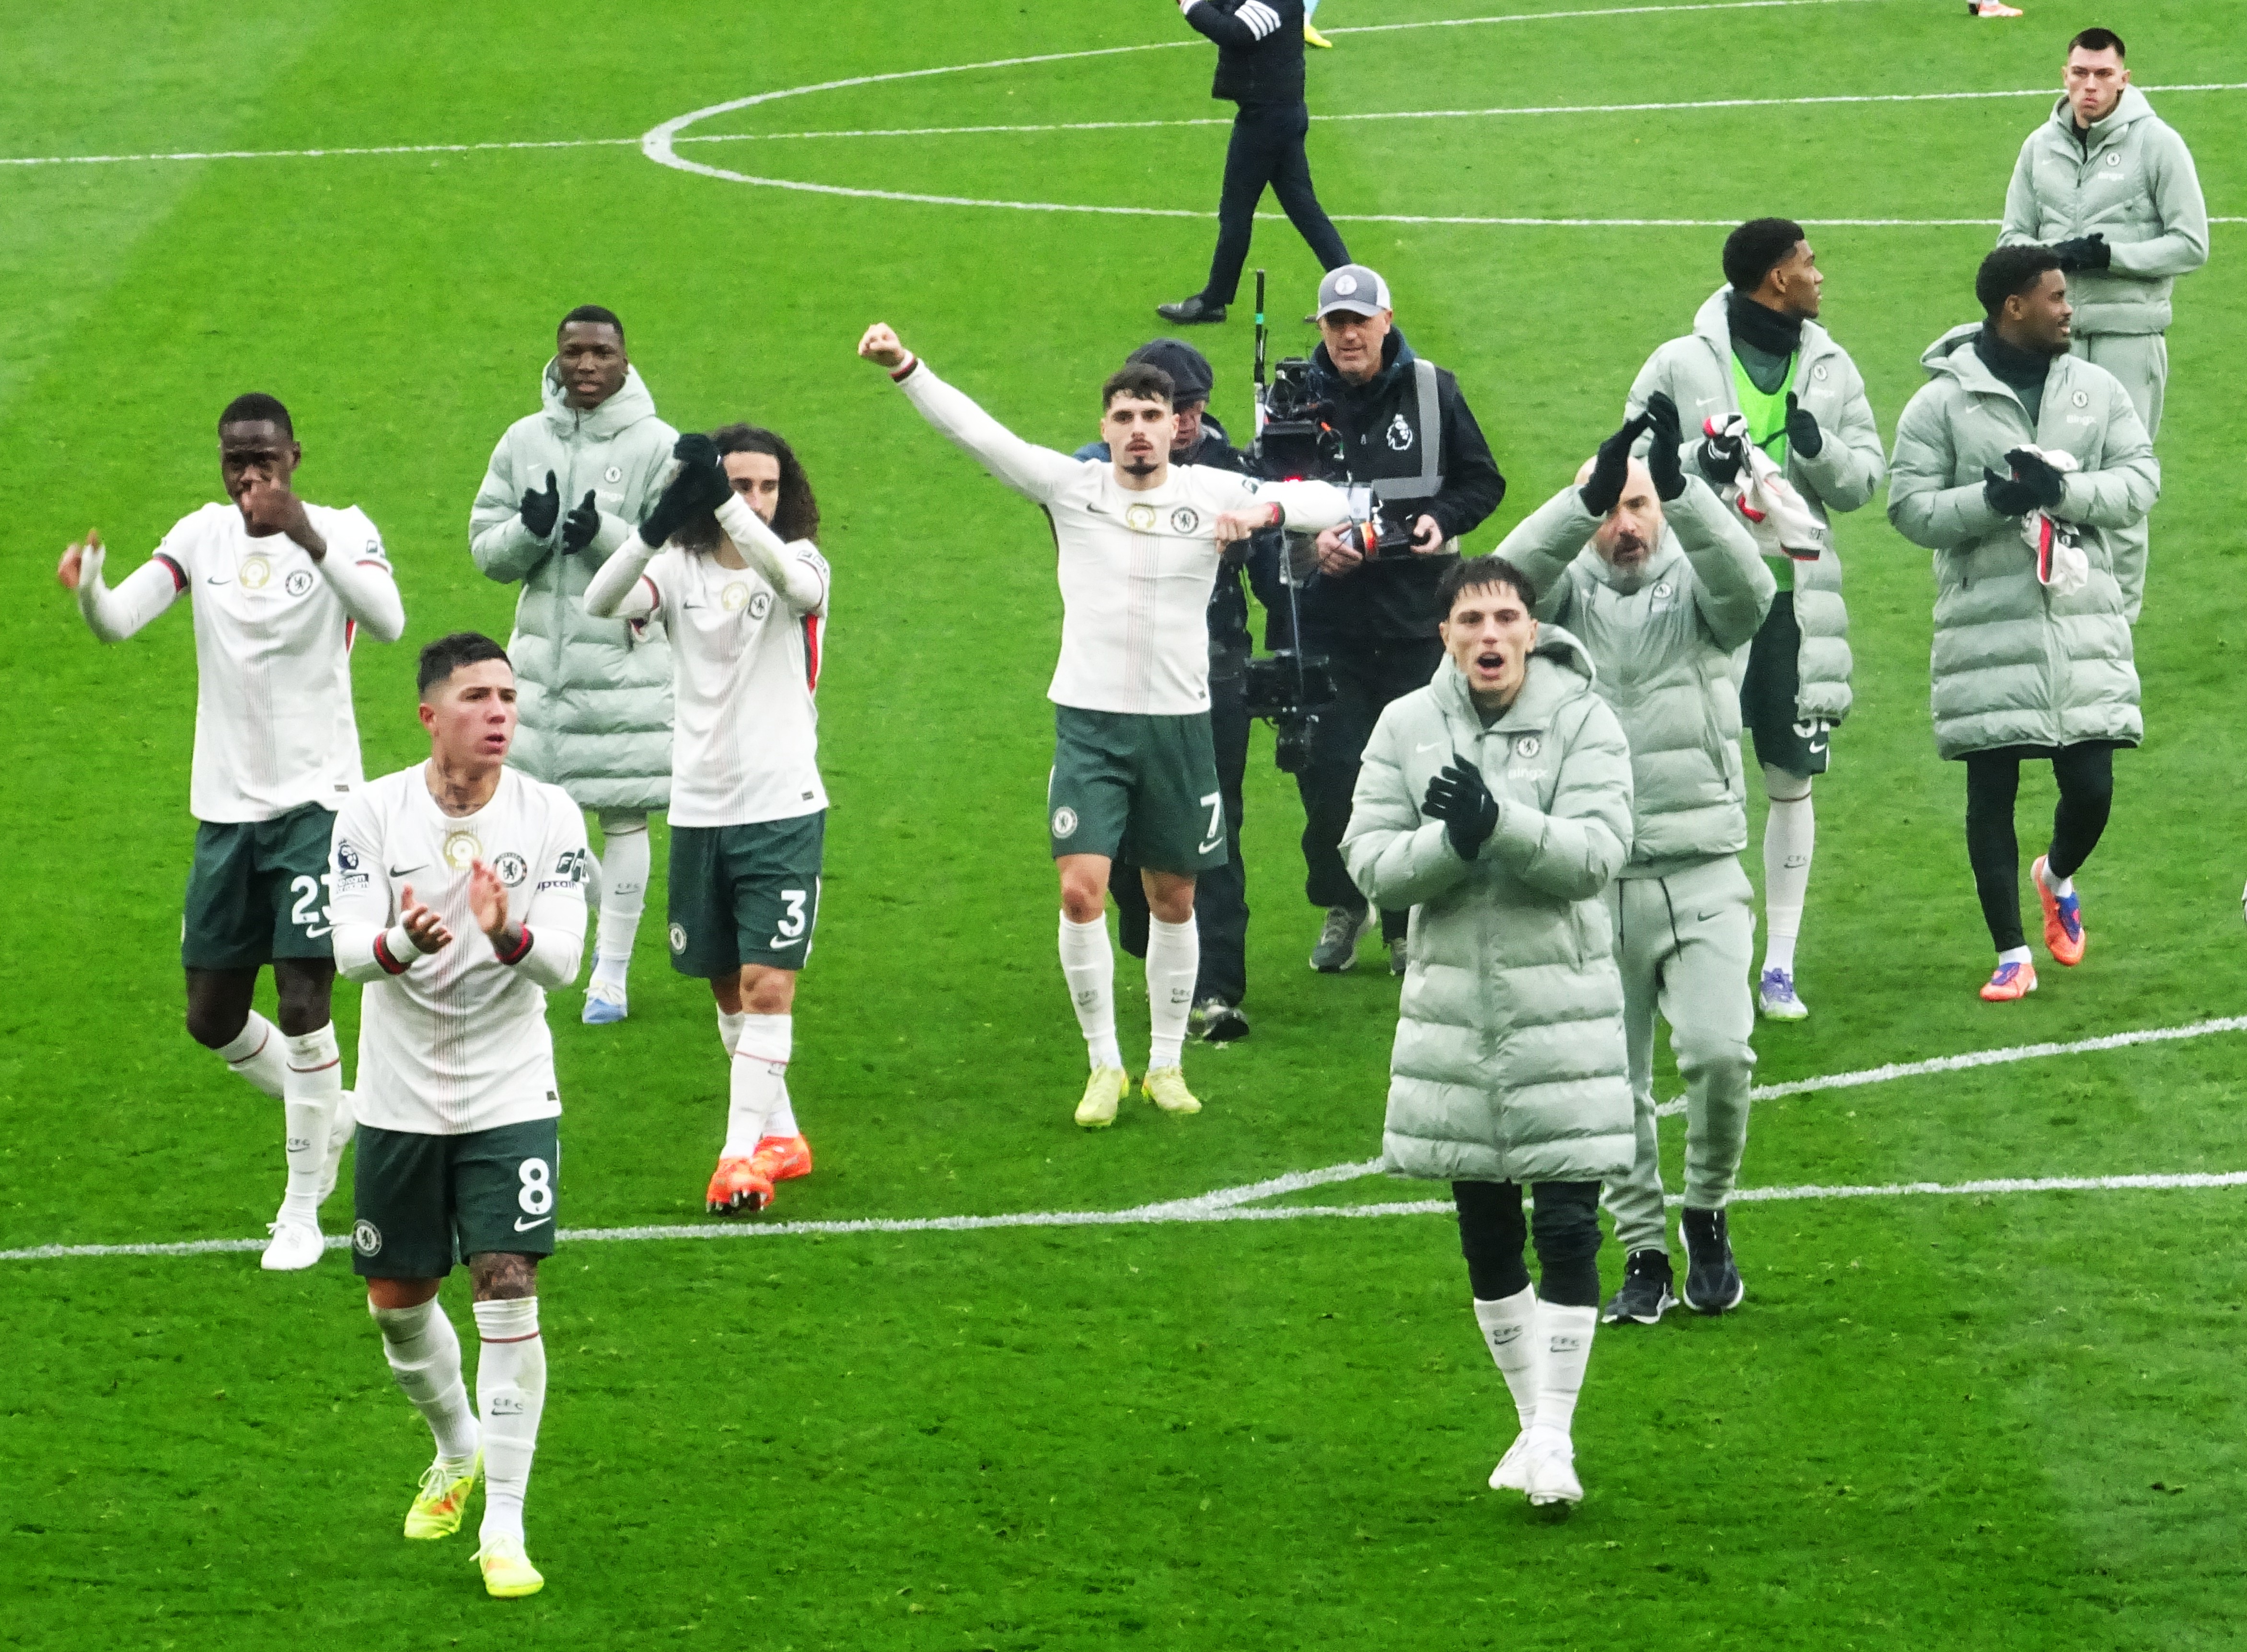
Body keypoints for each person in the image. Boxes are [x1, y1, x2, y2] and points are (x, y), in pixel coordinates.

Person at [857, 322, 1350, 1125]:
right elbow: (978, 435)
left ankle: (1165, 1063)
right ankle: (1103, 1065)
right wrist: (905, 367)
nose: (1137, 430)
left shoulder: (1210, 490)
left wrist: (1262, 512)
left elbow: (1330, 500)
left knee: (1174, 899)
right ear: (1106, 428)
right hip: (1090, 723)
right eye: (1123, 417)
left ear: (1175, 425)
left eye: (1151, 416)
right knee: (1080, 890)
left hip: (1179, 725)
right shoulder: (1072, 487)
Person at [57, 393, 404, 1271]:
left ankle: (300, 1209)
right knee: (210, 1016)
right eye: (234, 459)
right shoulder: (200, 536)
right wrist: (90, 586)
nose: (249, 474)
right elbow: (118, 622)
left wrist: (306, 535)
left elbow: (389, 621)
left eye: (264, 458)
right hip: (225, 812)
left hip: (318, 804)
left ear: (294, 456)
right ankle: (337, 1113)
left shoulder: (343, 528)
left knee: (303, 1001)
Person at [1341, 554, 1634, 1509]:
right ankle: (1533, 1426)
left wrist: (1498, 821)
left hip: (1564, 1019)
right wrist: (1453, 842)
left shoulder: (1585, 719)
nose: (1489, 635)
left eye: (1505, 617)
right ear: (1445, 636)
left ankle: (1552, 1436)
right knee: (1486, 1235)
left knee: (1568, 1224)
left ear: (1531, 630)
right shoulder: (1404, 726)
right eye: (1470, 621)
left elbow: (1595, 856)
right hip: (1455, 1024)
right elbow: (1371, 865)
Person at [1496, 397, 1774, 1323]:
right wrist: (1579, 497)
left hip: (1699, 864)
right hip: (1588, 876)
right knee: (1609, 1086)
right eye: (1609, 506)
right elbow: (1498, 585)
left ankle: (1706, 1211)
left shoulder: (1701, 584)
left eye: (1638, 505)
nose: (1624, 524)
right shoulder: (1557, 600)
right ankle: (1645, 1251)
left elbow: (1754, 593)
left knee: (1719, 1053)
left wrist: (1684, 489)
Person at [328, 632, 591, 1600]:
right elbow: (345, 948)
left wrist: (506, 930)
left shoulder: (550, 814)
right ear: (429, 714)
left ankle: (504, 1527)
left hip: (510, 1088)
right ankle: (455, 1447)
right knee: (397, 1302)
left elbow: (561, 961)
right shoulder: (370, 812)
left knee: (507, 1284)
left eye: (509, 697)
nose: (499, 713)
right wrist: (403, 939)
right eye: (477, 696)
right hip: (399, 1093)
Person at [1627, 218, 1884, 1023]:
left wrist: (1819, 451)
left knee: (1788, 776)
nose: (1819, 274)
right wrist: (1694, 465)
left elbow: (1862, 480)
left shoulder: (1831, 366)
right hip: (1701, 599)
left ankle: (1778, 965)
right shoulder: (1679, 362)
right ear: (1776, 277)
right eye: (1808, 262)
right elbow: (1629, 461)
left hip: (1790, 604)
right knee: (1688, 777)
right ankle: (1682, 952)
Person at [1888, 246, 2156, 1001]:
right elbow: (1909, 507)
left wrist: (2062, 492)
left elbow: (2140, 481)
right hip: (1986, 624)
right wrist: (1992, 501)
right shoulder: (1941, 403)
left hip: (2079, 621)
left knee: (2092, 787)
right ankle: (2011, 952)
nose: (2070, 308)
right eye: (2056, 297)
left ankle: (2057, 875)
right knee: (1991, 788)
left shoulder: (2097, 389)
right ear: (2014, 307)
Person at [584, 428, 830, 1215]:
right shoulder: (677, 568)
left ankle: (736, 1159)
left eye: (766, 486)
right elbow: (601, 602)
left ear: (784, 493)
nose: (755, 498)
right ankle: (781, 1135)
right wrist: (657, 523)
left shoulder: (803, 560)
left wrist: (723, 504)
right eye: (739, 483)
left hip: (783, 809)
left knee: (767, 985)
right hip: (699, 811)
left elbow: (790, 584)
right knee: (727, 985)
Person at [469, 304, 678, 1025]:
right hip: (537, 669)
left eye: (601, 353)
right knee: (528, 813)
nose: (586, 365)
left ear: (625, 359)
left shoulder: (659, 445)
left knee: (622, 816)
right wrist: (527, 532)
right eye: (574, 352)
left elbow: (679, 558)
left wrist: (607, 537)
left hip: (624, 667)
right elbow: (486, 550)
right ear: (557, 358)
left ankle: (610, 975)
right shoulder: (523, 440)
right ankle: (588, 924)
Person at [1295, 264, 1506, 976]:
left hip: (1418, 623)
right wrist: (1310, 549)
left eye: (1360, 321)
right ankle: (1343, 901)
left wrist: (1439, 519)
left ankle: (1405, 919)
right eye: (1336, 323)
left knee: (1419, 775)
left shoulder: (1434, 390)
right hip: (1326, 626)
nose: (1348, 336)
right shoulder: (1293, 398)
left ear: (1386, 321)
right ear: (1322, 329)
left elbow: (1483, 480)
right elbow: (1260, 500)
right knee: (1331, 780)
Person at [1073, 338, 1282, 1043]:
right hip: (1116, 680)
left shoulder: (1233, 471)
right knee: (1121, 834)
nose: (1185, 421)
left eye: (1192, 407)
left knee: (1215, 830)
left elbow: (1274, 574)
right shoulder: (1093, 473)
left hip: (1213, 673)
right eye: (1174, 407)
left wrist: (1253, 539)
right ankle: (1149, 929)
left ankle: (1213, 987)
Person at [1998, 25, 2206, 623]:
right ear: (2063, 76)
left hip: (2127, 339)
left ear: (2123, 79)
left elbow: (2191, 244)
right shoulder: (2039, 146)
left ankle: (2117, 624)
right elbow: (2009, 238)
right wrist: (2047, 256)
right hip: (2051, 345)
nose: (2089, 85)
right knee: (2051, 475)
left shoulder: (2158, 144)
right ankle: (2059, 615)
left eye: (2102, 75)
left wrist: (2109, 255)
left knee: (2120, 482)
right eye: (2079, 74)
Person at [1155, 0, 1352, 326]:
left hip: (1266, 119)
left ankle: (1214, 301)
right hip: (1278, 113)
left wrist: (1190, 5)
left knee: (1236, 211)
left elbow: (1235, 32)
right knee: (1304, 209)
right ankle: (1351, 294)